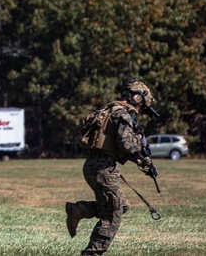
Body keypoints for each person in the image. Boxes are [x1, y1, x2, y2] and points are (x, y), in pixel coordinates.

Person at [65, 79, 158, 255]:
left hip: (94, 164)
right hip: (104, 168)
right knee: (112, 215)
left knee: (121, 206)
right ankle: (92, 253)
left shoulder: (107, 110)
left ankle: (79, 210)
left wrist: (142, 161)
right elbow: (126, 145)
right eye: (140, 107)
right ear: (137, 98)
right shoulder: (122, 114)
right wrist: (140, 146)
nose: (138, 111)